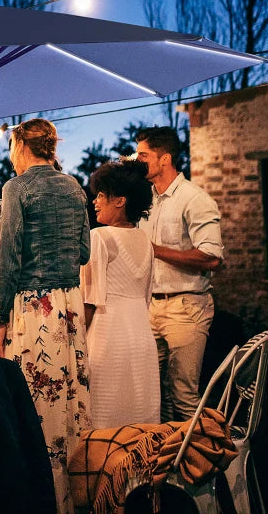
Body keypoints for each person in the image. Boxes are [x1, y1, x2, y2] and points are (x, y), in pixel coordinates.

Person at [0, 118, 92, 514]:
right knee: (69, 398)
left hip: (35, 308)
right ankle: (75, 494)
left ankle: (41, 499)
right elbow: (83, 252)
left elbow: (10, 258)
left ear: (19, 147)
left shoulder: (17, 188)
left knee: (36, 402)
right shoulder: (74, 187)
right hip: (68, 306)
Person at [136, 126, 224, 422]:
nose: (138, 161)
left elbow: (211, 257)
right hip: (150, 308)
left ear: (165, 159)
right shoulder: (144, 201)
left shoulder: (194, 199)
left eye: (143, 155)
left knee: (183, 394)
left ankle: (198, 466)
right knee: (150, 394)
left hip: (187, 308)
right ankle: (161, 465)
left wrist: (154, 250)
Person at [80, 160, 160, 428]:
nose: (95, 201)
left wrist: (76, 342)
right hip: (141, 337)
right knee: (138, 416)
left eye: (102, 195)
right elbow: (146, 296)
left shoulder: (100, 238)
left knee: (105, 419)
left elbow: (89, 300)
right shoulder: (145, 242)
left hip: (108, 335)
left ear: (120, 201)